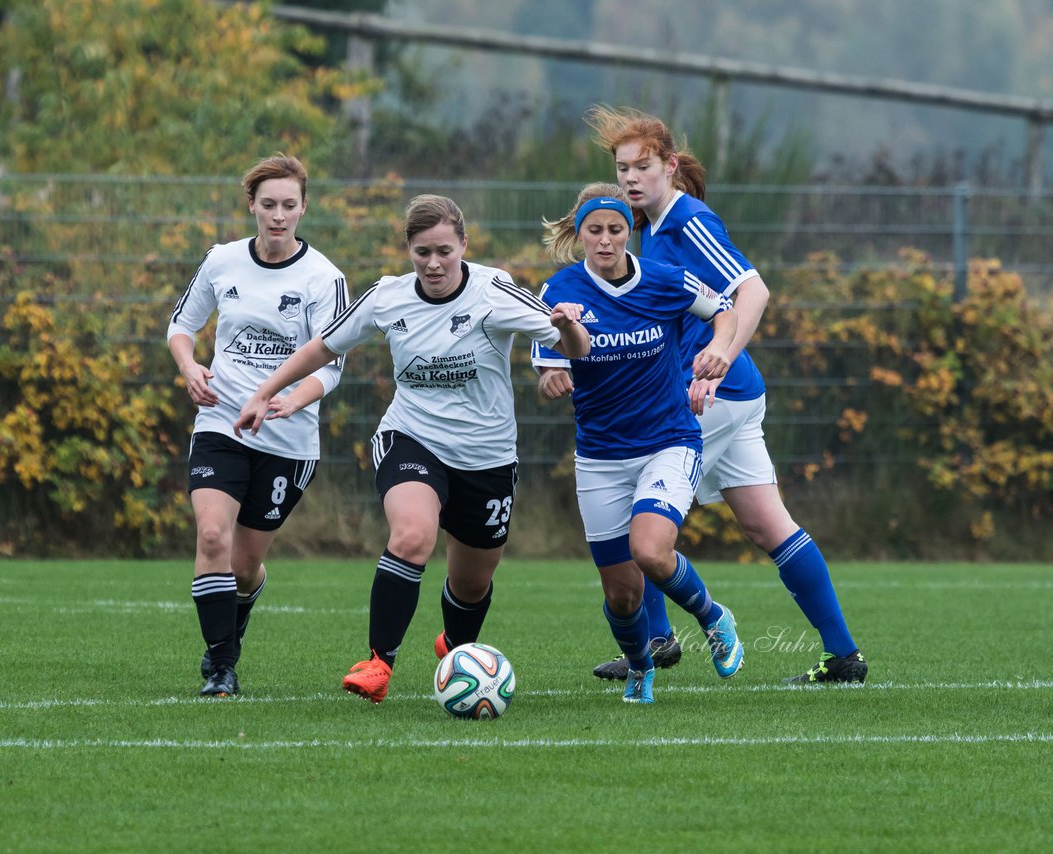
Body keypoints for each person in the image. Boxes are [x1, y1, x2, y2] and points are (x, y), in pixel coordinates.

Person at [236, 194, 590, 704]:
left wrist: (567, 326)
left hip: (487, 457)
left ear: (463, 246)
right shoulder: (388, 296)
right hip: (411, 438)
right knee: (412, 534)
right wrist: (267, 392)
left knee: (471, 585)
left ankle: (458, 647)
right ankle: (379, 662)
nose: (433, 263)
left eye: (444, 250)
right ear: (409, 250)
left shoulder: (496, 291)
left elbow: (575, 349)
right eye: (422, 252)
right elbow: (323, 346)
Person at [581, 105, 867, 685]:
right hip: (732, 396)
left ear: (670, 166)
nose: (631, 179)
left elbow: (753, 291)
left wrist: (719, 359)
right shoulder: (654, 227)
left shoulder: (687, 222)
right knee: (769, 526)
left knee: (641, 509)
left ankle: (658, 641)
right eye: (622, 169)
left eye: (642, 166)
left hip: (712, 396)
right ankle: (843, 657)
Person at [533, 182, 745, 705]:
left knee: (650, 551)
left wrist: (720, 346)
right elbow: (549, 368)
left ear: (631, 231)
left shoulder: (666, 280)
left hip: (669, 442)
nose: (605, 241)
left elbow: (726, 308)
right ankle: (639, 666)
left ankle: (713, 618)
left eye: (616, 230)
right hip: (601, 458)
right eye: (594, 231)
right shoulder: (557, 291)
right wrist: (551, 377)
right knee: (621, 595)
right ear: (579, 233)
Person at [166, 154, 350, 698]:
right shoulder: (221, 261)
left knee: (245, 568)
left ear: (303, 208)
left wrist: (292, 401)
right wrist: (189, 365)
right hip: (221, 421)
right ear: (251, 204)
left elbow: (333, 363)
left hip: (288, 440)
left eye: (288, 206)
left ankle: (234, 615)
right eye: (268, 204)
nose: (277, 216)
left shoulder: (325, 277)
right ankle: (222, 666)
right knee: (212, 535)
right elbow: (182, 325)